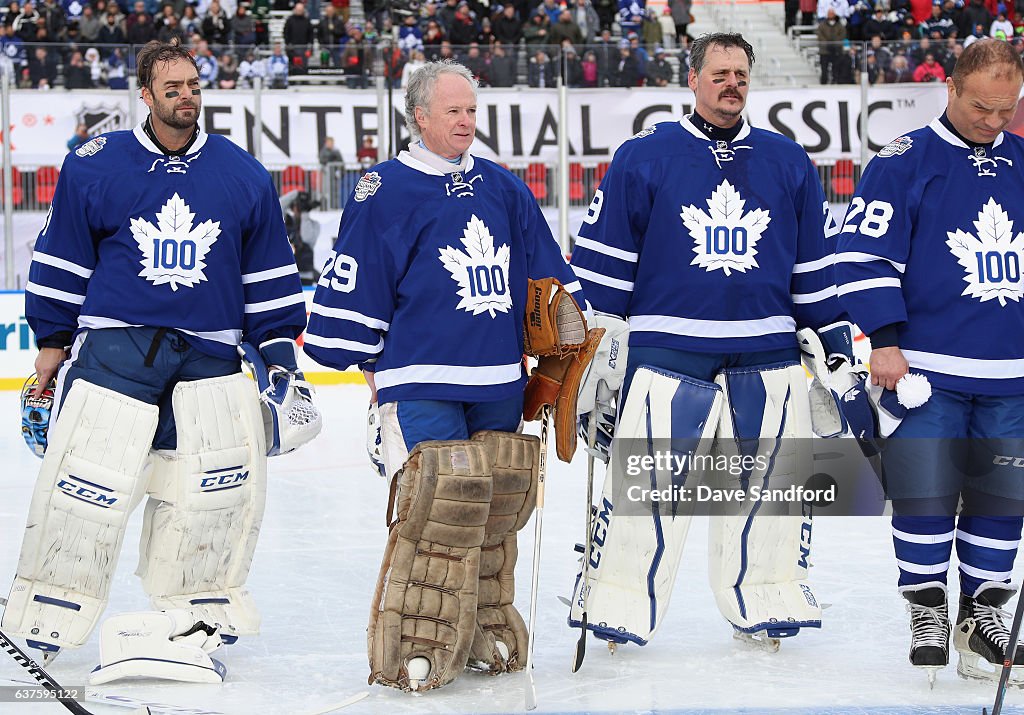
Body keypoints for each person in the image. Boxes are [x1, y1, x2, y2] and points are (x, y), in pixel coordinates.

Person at [2, 39, 311, 667]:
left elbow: (268, 277)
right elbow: (62, 260)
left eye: (193, 85)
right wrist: (52, 343)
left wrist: (277, 353)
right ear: (145, 95)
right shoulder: (96, 163)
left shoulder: (242, 172)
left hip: (210, 357)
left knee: (208, 495)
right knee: (85, 485)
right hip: (117, 348)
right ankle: (46, 613)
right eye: (172, 87)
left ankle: (196, 619)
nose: (186, 96)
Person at [303, 60, 593, 692]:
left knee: (494, 515)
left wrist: (566, 347)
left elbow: (548, 285)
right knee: (441, 513)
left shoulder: (503, 187)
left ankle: (483, 627)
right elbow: (360, 283)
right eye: (454, 111)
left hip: (498, 381)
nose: (466, 121)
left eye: (472, 110)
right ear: (420, 117)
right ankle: (416, 640)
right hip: (421, 378)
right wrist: (366, 361)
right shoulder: (385, 190)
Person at [568, 32, 844, 653]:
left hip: (767, 353)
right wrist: (593, 358)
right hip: (668, 353)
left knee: (770, 493)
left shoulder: (788, 160)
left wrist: (834, 353)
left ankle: (766, 601)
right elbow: (605, 272)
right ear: (691, 79)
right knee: (647, 487)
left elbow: (812, 269)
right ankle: (616, 604)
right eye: (719, 73)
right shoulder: (644, 156)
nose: (731, 83)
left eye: (740, 73)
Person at [835, 39, 1024, 686]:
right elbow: (861, 257)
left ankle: (984, 615)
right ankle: (927, 607)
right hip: (925, 372)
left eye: (1007, 110)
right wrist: (883, 340)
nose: (994, 121)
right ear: (949, 86)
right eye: (982, 107)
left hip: (1012, 375)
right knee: (926, 497)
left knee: (1002, 499)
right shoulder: (904, 160)